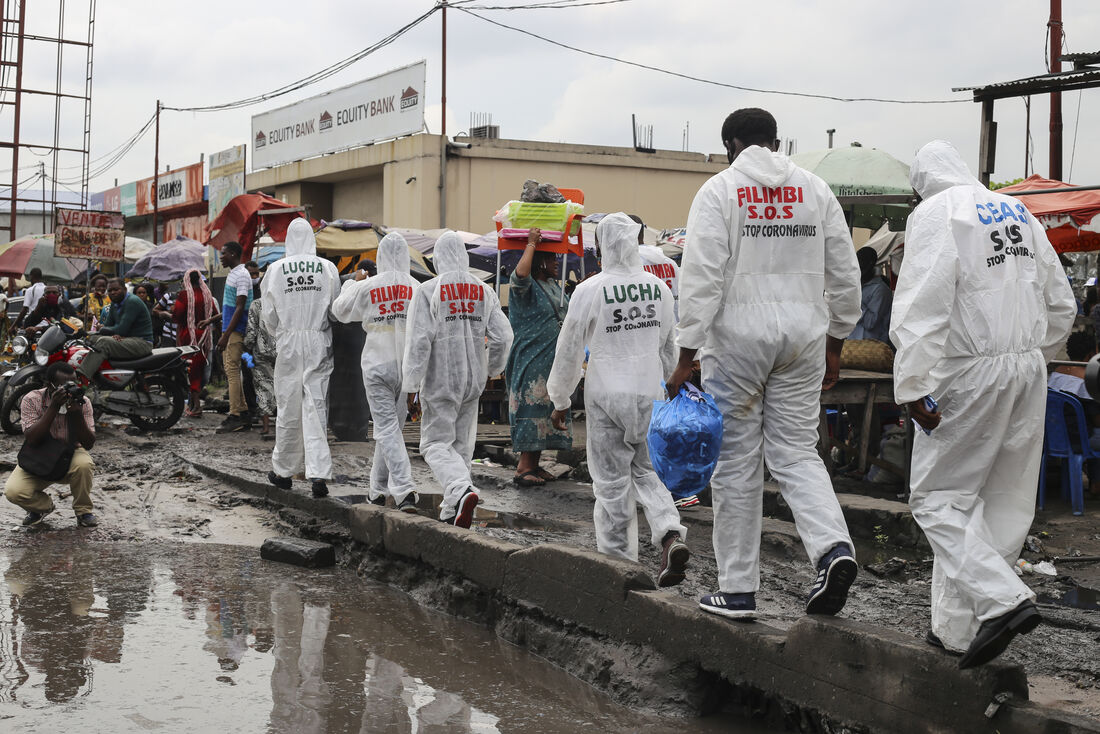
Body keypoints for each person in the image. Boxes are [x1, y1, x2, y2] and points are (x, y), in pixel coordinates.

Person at [667, 108, 863, 621]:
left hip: (738, 342)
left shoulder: (719, 191)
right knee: (797, 453)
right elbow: (845, 272)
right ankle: (833, 549)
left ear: (731, 144)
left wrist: (685, 356)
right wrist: (837, 340)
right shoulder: (816, 190)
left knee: (736, 461)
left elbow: (702, 278)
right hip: (804, 338)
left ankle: (736, 589)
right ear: (777, 142)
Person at [890, 140, 1076, 669]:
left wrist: (912, 385)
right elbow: (1059, 300)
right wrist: (1032, 357)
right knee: (999, 500)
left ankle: (1003, 599)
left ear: (921, 182)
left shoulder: (936, 212)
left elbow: (922, 304)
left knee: (937, 500)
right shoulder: (1014, 208)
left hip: (969, 371)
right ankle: (955, 628)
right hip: (1026, 367)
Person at [547, 213, 689, 585]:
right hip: (649, 393)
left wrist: (560, 398)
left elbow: (569, 348)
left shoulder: (590, 289)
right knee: (646, 470)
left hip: (606, 394)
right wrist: (674, 390)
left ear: (602, 247)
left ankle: (619, 567)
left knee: (611, 483)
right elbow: (668, 345)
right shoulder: (658, 288)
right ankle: (670, 532)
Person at [402, 231, 513, 527]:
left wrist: (411, 385)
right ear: (463, 256)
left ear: (437, 259)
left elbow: (419, 342)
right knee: (462, 446)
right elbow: (504, 335)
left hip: (440, 378)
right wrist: (491, 369)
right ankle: (453, 508)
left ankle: (462, 489)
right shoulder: (483, 290)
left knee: (434, 445)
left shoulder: (428, 290)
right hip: (473, 379)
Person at [332, 232, 419, 510]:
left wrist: (351, 286)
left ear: (380, 256)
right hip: (407, 368)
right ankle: (377, 489)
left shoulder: (368, 286)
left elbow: (340, 311)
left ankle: (404, 490)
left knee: (386, 429)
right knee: (391, 429)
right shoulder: (418, 287)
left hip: (377, 365)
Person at [261, 218, 341, 498]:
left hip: (289, 341)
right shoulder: (328, 268)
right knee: (315, 406)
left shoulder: (274, 270)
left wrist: (282, 333)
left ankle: (283, 471)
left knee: (288, 406)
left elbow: (268, 316)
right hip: (318, 339)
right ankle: (318, 474)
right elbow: (335, 309)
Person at [506, 227, 572, 487]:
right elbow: (521, 274)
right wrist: (532, 243)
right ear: (540, 262)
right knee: (533, 405)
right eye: (552, 259)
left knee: (548, 408)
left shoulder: (552, 285)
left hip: (552, 359)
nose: (556, 263)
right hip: (532, 359)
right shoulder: (526, 284)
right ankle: (523, 467)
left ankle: (535, 464)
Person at [4, 361, 98, 528]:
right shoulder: (32, 399)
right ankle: (42, 508)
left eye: (73, 383)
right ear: (49, 385)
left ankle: (83, 511)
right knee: (13, 491)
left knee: (85, 464)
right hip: (40, 452)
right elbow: (33, 439)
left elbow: (89, 444)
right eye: (63, 385)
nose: (69, 389)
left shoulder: (82, 402)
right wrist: (53, 407)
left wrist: (76, 415)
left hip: (71, 451)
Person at [78, 277, 154, 379]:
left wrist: (110, 331)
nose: (113, 292)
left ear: (124, 289)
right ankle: (100, 378)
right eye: (110, 290)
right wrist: (86, 334)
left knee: (104, 342)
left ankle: (81, 377)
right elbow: (109, 325)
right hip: (127, 339)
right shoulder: (114, 303)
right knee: (90, 339)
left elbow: (121, 329)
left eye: (116, 289)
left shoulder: (132, 301)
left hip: (142, 342)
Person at [173, 269, 221, 417]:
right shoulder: (208, 296)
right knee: (198, 370)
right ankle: (194, 404)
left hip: (188, 335)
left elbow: (177, 316)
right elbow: (215, 315)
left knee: (190, 370)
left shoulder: (184, 295)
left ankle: (196, 406)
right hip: (205, 337)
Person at [216, 241, 253, 433]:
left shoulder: (242, 275)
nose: (220, 256)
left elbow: (240, 307)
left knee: (232, 372)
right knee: (232, 371)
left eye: (223, 253)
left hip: (235, 331)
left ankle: (235, 415)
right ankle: (243, 412)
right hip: (230, 330)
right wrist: (211, 320)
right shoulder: (234, 274)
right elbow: (231, 306)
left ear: (232, 254)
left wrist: (227, 335)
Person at [244, 275, 278, 439]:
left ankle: (266, 427)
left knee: (264, 387)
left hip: (262, 353)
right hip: (284, 352)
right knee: (283, 386)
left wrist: (247, 347)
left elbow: (251, 330)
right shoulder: (283, 303)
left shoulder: (256, 305)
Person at [849, 246, 893, 344]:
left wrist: (855, 300)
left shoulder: (880, 290)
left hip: (871, 349)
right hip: (851, 344)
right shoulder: (858, 285)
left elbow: (870, 323)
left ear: (870, 266)